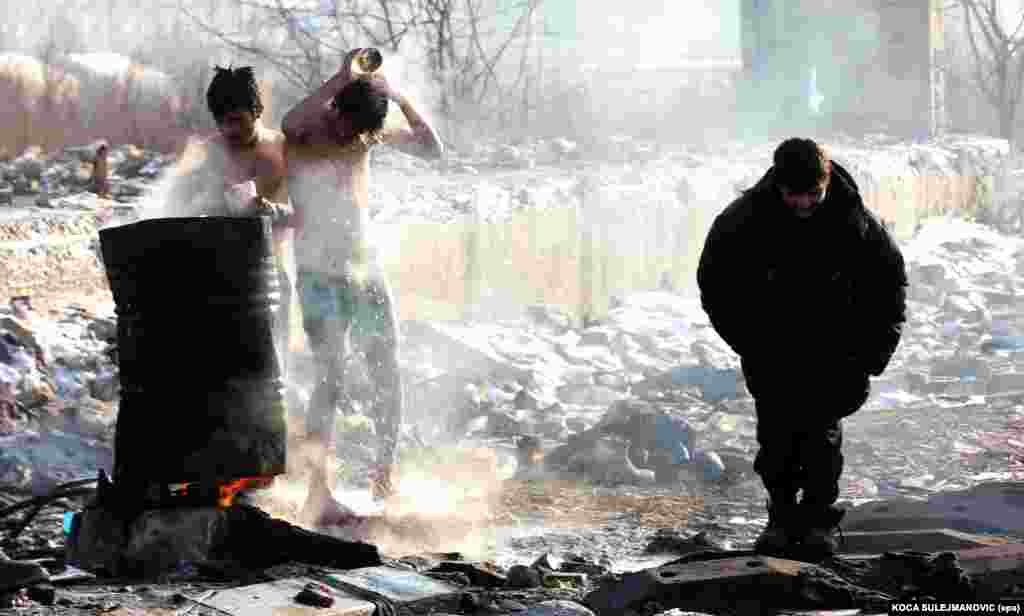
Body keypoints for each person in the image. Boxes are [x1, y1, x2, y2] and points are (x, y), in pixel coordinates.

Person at [696, 137, 907, 559]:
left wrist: (874, 352)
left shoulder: (857, 223)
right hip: (773, 351)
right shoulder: (742, 222)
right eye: (794, 195)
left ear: (825, 183)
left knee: (820, 437)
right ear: (778, 185)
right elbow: (715, 284)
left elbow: (889, 288)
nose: (804, 204)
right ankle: (781, 517)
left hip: (835, 353)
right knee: (776, 437)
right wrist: (750, 339)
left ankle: (817, 521)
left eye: (813, 194)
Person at [281, 48, 443, 521]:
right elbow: (290, 122)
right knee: (329, 377)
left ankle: (384, 475)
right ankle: (317, 489)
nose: (352, 136)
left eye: (361, 132)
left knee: (385, 367)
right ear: (337, 109)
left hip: (363, 266)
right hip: (318, 272)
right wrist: (339, 78)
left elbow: (432, 148)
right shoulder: (311, 129)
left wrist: (396, 93)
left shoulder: (366, 133)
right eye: (348, 125)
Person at [171, 66, 296, 378]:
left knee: (274, 363)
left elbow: (306, 212)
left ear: (256, 112)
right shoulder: (207, 153)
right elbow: (173, 206)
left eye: (238, 120)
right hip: (219, 270)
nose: (230, 129)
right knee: (225, 367)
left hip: (271, 268)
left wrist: (268, 210)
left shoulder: (282, 149)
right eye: (222, 122)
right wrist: (207, 203)